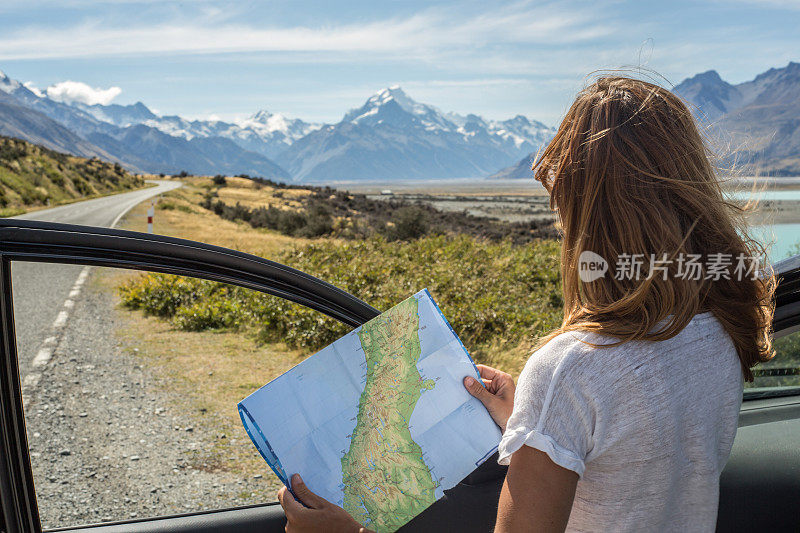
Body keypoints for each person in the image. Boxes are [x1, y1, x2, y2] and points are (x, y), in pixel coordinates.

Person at [276, 76, 775, 532]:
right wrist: (537, 420)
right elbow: (637, 465)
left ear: (585, 213)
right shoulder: (720, 328)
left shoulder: (572, 370)